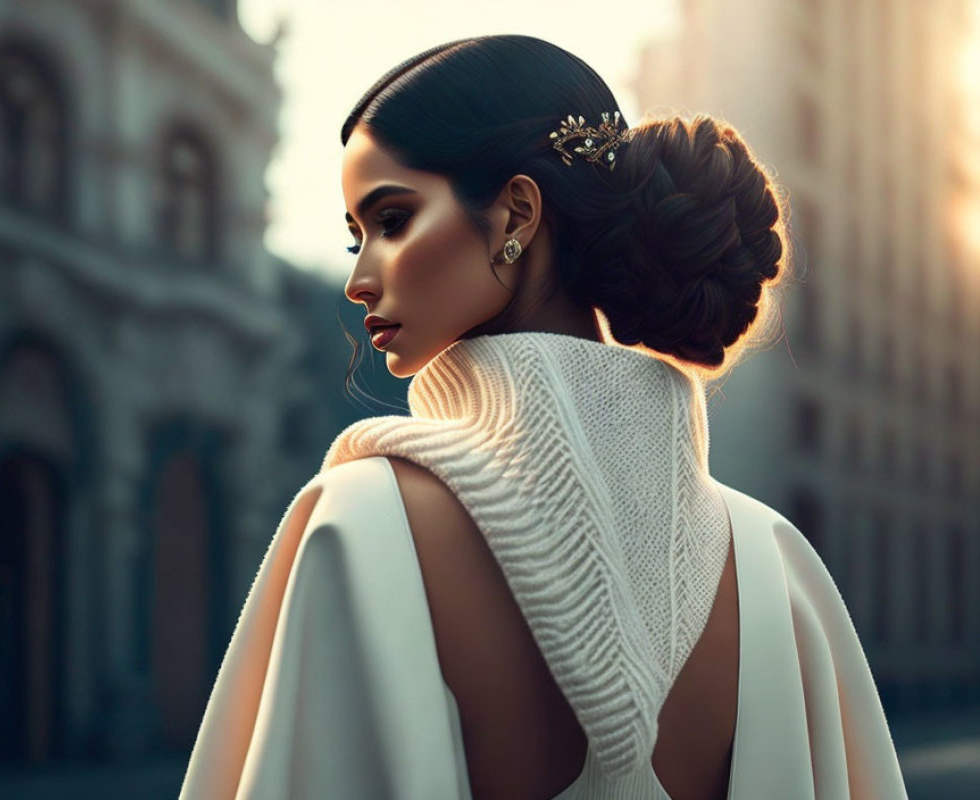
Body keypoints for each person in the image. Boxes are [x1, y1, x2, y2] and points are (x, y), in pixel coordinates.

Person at [180, 35, 908, 800]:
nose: (361, 279)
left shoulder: (363, 524)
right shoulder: (777, 565)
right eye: (355, 239)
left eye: (392, 220)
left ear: (516, 216)